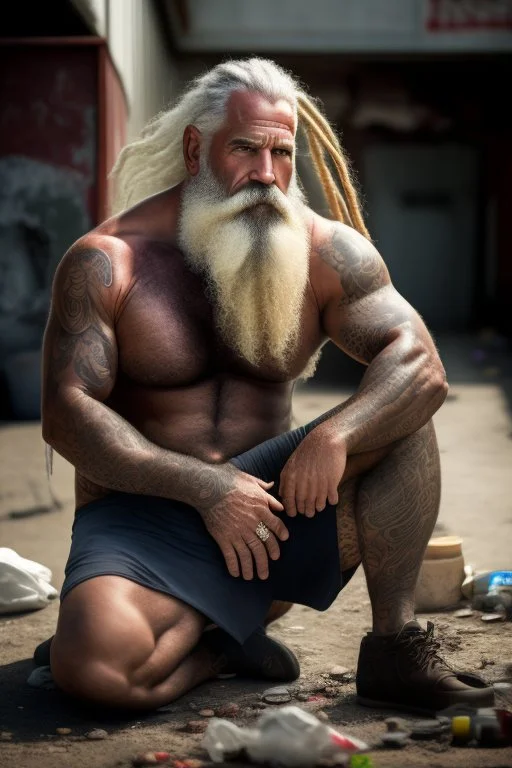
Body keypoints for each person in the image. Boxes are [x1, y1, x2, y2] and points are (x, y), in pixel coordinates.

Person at [36, 58, 494, 715]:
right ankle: (221, 645)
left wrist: (337, 435)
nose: (266, 174)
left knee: (401, 411)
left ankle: (395, 648)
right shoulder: (109, 262)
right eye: (245, 148)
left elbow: (420, 363)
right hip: (145, 518)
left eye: (282, 153)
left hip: (271, 526)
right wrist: (204, 487)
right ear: (196, 148)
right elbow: (67, 414)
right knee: (94, 673)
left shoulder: (324, 253)